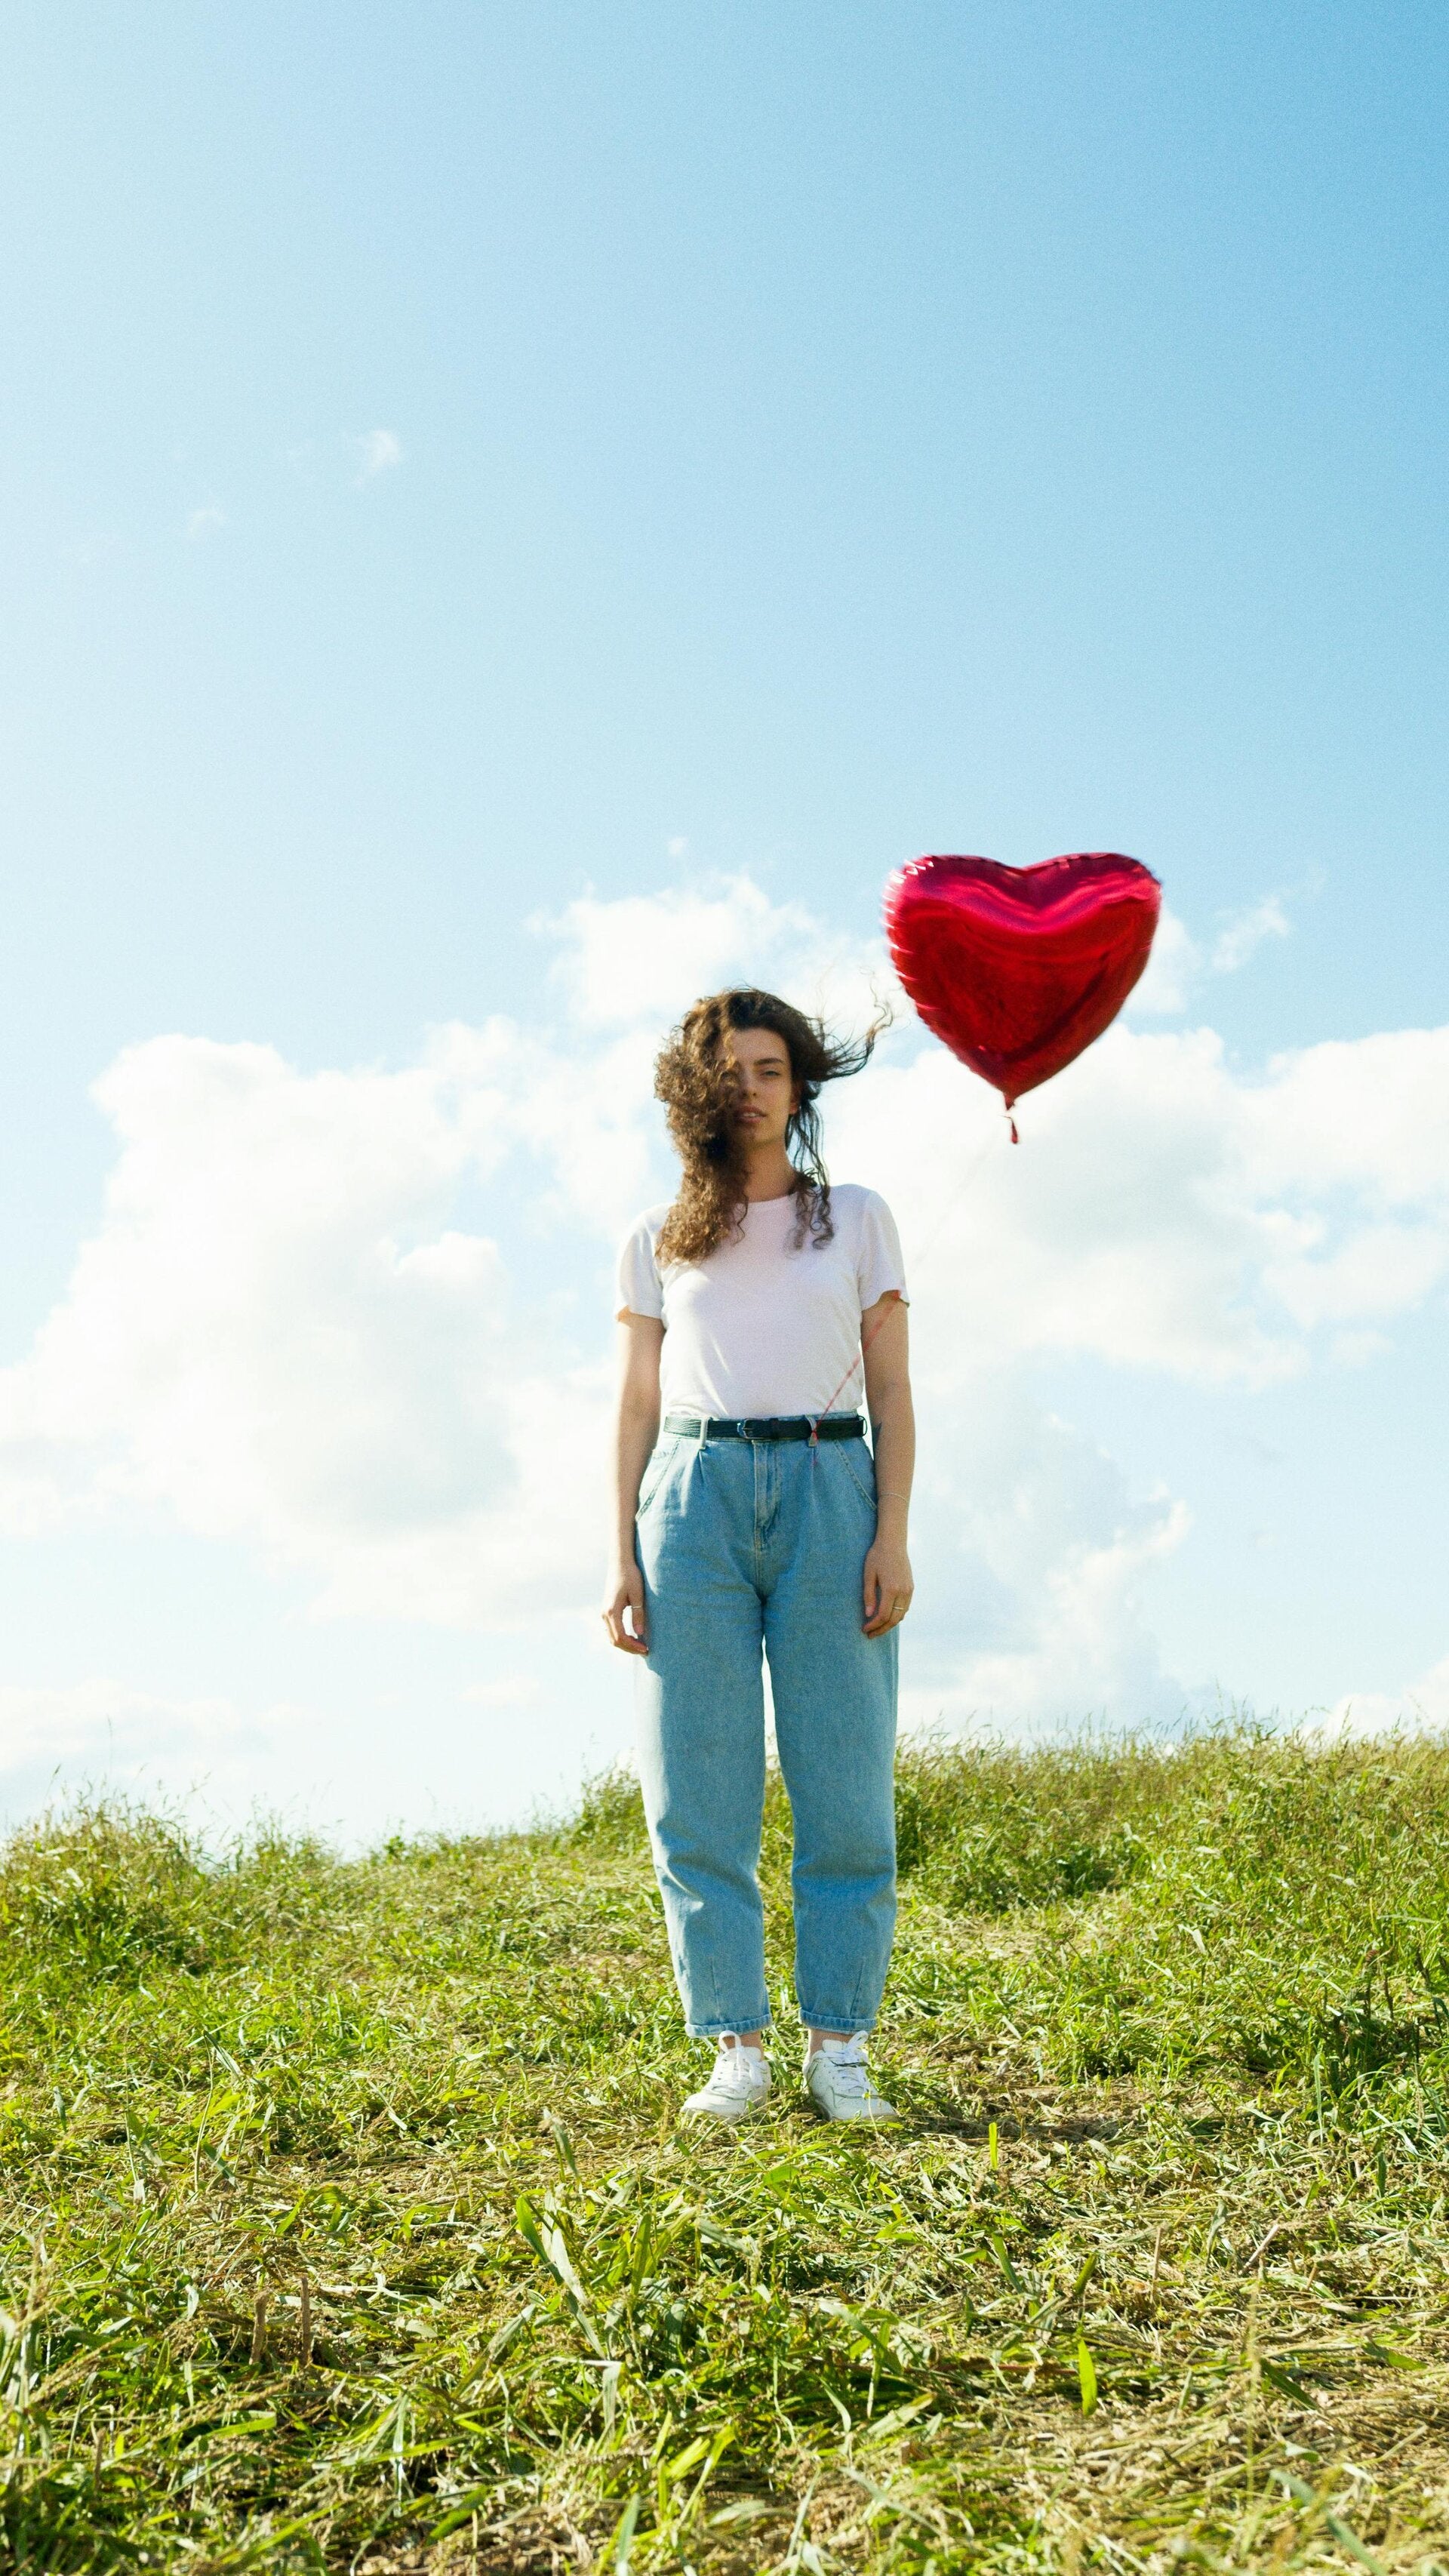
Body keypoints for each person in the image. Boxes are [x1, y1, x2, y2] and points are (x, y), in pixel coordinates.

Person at [603, 986, 915, 2124]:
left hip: (836, 1487)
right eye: (730, 1069)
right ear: (698, 1088)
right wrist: (619, 1552)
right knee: (696, 1783)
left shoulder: (858, 1217)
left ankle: (841, 2046)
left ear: (800, 1085)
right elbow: (635, 1402)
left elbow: (894, 1390)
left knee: (845, 1777)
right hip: (692, 1499)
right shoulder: (655, 1235)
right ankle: (736, 2044)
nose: (751, 1086)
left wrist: (893, 1530)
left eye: (771, 1067)